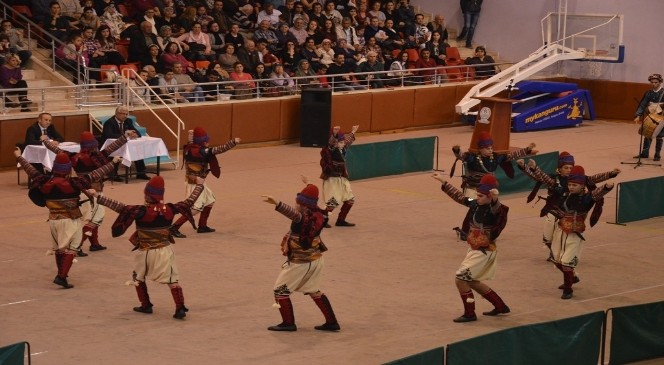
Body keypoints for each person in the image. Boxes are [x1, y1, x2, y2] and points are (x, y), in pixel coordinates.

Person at [88, 175, 205, 319]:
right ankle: (180, 307)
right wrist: (200, 185)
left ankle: (146, 305)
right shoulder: (170, 209)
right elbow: (189, 201)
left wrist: (97, 196)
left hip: (145, 251)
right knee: (172, 280)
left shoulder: (140, 211)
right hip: (165, 250)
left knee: (138, 277)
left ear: (147, 195)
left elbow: (119, 207)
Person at [14, 148, 117, 289]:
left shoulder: (43, 181)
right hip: (70, 220)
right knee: (72, 248)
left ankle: (61, 274)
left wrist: (19, 157)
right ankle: (61, 276)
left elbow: (30, 169)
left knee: (59, 249)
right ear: (68, 169)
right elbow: (96, 174)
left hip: (53, 220)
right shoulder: (75, 183)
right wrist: (114, 163)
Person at [524, 164, 614, 299]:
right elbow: (548, 181)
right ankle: (572, 277)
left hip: (574, 235)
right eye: (570, 184)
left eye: (574, 185)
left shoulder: (587, 198)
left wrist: (607, 186)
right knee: (556, 260)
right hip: (560, 231)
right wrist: (535, 168)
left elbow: (598, 193)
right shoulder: (564, 192)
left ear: (582, 185)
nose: (571, 187)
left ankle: (568, 289)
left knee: (566, 262)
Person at [262, 178, 340, 332]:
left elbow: (292, 214)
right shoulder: (320, 215)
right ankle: (332, 322)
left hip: (300, 263)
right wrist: (309, 184)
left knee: (280, 290)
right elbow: (328, 203)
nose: (296, 204)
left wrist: (277, 203)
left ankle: (288, 323)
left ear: (303, 205)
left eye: (298, 202)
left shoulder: (301, 218)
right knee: (314, 290)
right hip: (316, 260)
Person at [431, 172, 511, 322]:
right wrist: (444, 182)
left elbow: (497, 209)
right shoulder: (475, 204)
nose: (477, 198)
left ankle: (470, 313)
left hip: (484, 251)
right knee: (471, 281)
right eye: (477, 194)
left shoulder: (496, 211)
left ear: (490, 197)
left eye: (481, 196)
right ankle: (500, 306)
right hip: (474, 249)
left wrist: (495, 199)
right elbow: (460, 197)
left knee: (460, 279)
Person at [44, 131, 135, 256]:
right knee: (96, 219)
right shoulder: (97, 157)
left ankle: (94, 243)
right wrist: (125, 137)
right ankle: (77, 246)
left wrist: (45, 141)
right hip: (94, 192)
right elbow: (112, 147)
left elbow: (57, 150)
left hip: (81, 191)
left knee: (90, 218)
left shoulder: (73, 156)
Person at [517, 153, 620, 262]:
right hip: (555, 209)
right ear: (559, 169)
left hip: (574, 212)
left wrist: (611, 173)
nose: (569, 170)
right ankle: (554, 252)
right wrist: (528, 167)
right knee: (549, 232)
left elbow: (596, 178)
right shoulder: (555, 180)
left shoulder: (581, 179)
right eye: (566, 168)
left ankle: (568, 255)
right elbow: (541, 177)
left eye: (571, 167)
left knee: (568, 236)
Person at [169, 128, 241, 237]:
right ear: (202, 142)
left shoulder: (190, 148)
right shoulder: (200, 151)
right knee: (195, 208)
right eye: (205, 141)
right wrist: (233, 142)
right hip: (195, 182)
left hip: (199, 181)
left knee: (210, 201)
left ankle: (202, 226)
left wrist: (191, 135)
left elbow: (191, 142)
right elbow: (218, 149)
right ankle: (174, 227)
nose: (208, 142)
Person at [451, 131, 536, 199]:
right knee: (472, 206)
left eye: (491, 148)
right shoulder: (472, 157)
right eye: (487, 148)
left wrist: (526, 150)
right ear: (480, 149)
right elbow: (461, 156)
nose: (490, 150)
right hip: (474, 188)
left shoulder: (495, 157)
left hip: (489, 188)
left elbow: (511, 156)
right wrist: (457, 150)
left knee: (490, 208)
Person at [320, 125, 360, 227]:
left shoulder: (343, 148)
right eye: (340, 142)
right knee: (332, 202)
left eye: (343, 142)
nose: (343, 144)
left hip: (342, 179)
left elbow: (347, 141)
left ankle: (341, 220)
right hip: (332, 180)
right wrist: (334, 134)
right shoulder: (330, 150)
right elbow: (331, 144)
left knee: (350, 200)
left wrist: (353, 132)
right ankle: (323, 221)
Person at [101, 106, 150, 180]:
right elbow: (108, 135)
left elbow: (138, 133)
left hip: (125, 145)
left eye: (126, 114)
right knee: (116, 152)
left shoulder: (128, 121)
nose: (125, 116)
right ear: (117, 114)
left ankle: (141, 173)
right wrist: (125, 135)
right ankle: (113, 175)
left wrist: (134, 134)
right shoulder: (109, 122)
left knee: (137, 149)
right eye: (123, 114)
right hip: (111, 146)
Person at [634, 73, 664, 161]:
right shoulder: (648, 93)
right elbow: (642, 104)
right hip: (651, 116)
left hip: (661, 117)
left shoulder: (663, 92)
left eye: (656, 82)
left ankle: (657, 155)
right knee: (647, 134)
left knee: (659, 136)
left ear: (660, 82)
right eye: (652, 82)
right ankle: (644, 153)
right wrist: (638, 115)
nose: (654, 84)